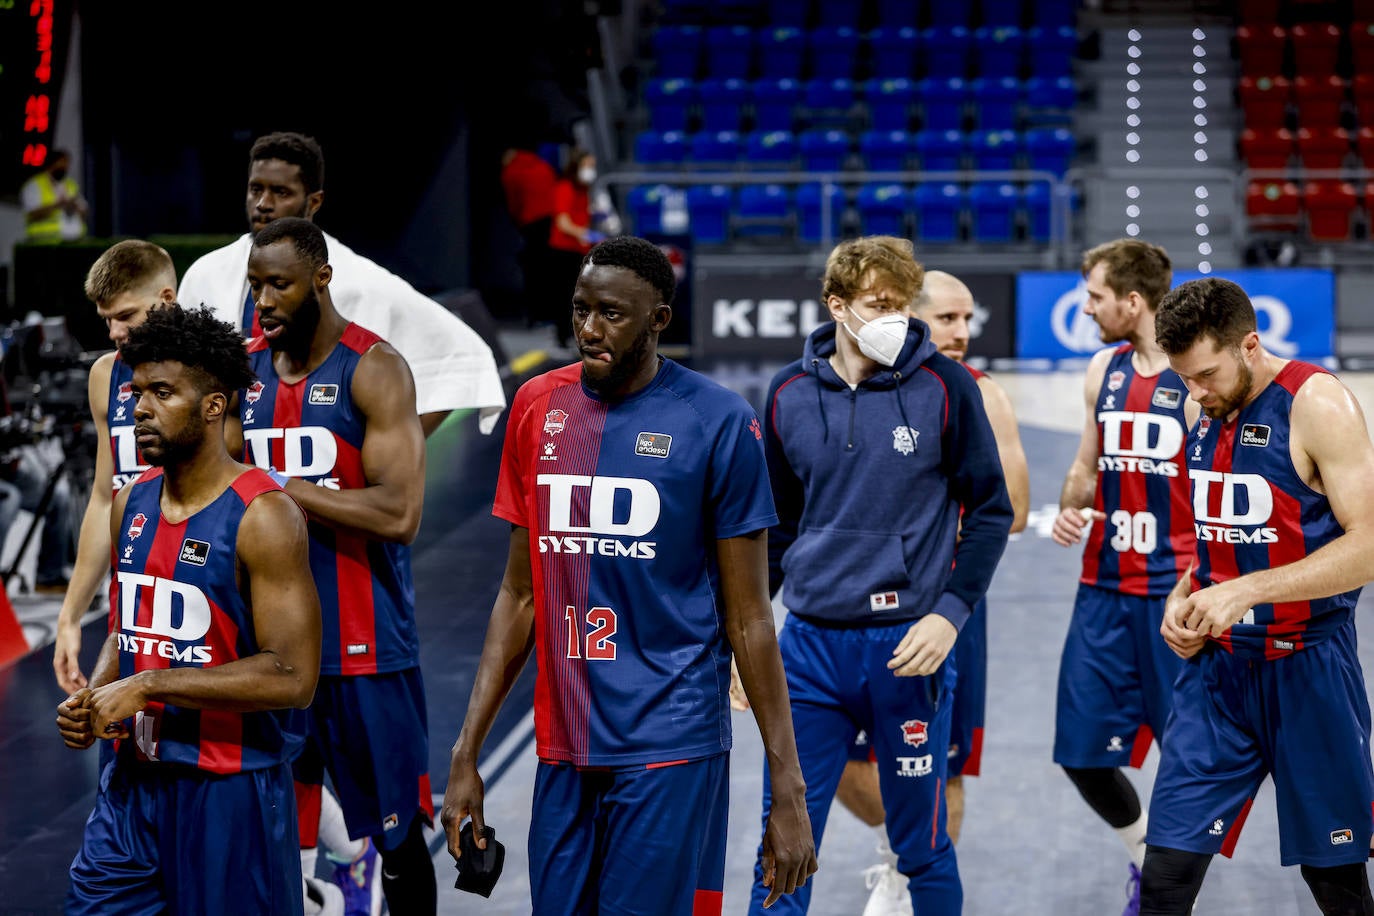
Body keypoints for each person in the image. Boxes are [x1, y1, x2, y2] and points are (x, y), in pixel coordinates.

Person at [439, 235, 817, 914]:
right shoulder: (536, 406)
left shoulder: (717, 420)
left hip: (668, 739)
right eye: (581, 309)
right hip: (562, 741)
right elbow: (519, 593)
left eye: (612, 313)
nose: (588, 329)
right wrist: (468, 750)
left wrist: (788, 788)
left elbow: (749, 617)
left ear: (659, 320)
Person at [752, 236, 1014, 916]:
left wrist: (947, 614)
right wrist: (744, 639)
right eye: (878, 305)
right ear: (837, 306)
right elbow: (774, 531)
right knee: (785, 839)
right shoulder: (786, 394)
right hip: (807, 652)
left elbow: (992, 511)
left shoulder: (947, 388)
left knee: (922, 846)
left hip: (906, 649)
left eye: (901, 304)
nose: (895, 317)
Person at [55, 303, 321, 915]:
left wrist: (150, 686)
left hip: (229, 792)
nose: (139, 408)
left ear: (212, 406)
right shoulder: (132, 502)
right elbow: (132, 624)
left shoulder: (265, 515)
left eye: (162, 392)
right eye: (137, 391)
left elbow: (293, 676)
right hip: (131, 786)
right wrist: (95, 696)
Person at [1141, 277, 1374, 915]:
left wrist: (1249, 590)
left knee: (1337, 885)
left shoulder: (1317, 403)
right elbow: (1215, 540)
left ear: (1249, 344)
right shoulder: (1198, 406)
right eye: (1183, 377)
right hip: (1216, 677)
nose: (1195, 391)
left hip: (1309, 671)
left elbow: (1370, 545)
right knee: (1164, 873)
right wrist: (1184, 597)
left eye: (1207, 374)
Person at [233, 217, 435, 915]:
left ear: (320, 278)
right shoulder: (246, 370)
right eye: (255, 284)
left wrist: (282, 489)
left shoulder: (374, 367)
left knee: (398, 841)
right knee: (270, 838)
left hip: (365, 648)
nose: (263, 299)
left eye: (279, 284)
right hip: (271, 655)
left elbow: (400, 513)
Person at [823, 269, 1030, 916]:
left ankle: (909, 871)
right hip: (851, 604)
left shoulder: (977, 393)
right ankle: (902, 848)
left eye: (968, 320)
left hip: (944, 607)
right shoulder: (849, 388)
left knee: (942, 764)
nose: (962, 333)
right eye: (948, 319)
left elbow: (1014, 510)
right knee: (837, 760)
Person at [176, 130, 505, 437]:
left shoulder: (359, 279)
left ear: (314, 202)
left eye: (281, 192)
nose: (263, 203)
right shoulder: (205, 274)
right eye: (256, 189)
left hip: (317, 470)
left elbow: (464, 353)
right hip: (228, 471)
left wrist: (395, 450)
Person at [1048, 239, 1195, 916]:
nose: (1087, 309)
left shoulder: (1196, 380)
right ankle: (1143, 853)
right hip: (1103, 590)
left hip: (1176, 598)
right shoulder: (1103, 369)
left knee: (1191, 760)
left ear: (1132, 302)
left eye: (1096, 298)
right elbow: (1086, 462)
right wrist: (1073, 504)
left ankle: (1167, 888)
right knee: (1080, 752)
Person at [52, 240, 177, 694]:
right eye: (107, 320)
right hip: (131, 591)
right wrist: (69, 617)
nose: (114, 332)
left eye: (126, 316)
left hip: (203, 586)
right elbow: (105, 497)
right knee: (126, 748)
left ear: (165, 300)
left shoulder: (213, 372)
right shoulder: (106, 374)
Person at [546, 148, 610, 349]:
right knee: (565, 294)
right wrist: (585, 234)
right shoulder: (565, 188)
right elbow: (563, 223)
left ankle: (573, 335)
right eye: (588, 166)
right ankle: (561, 337)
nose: (591, 170)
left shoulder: (584, 191)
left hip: (579, 251)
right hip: (563, 250)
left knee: (579, 295)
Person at [499, 139, 558, 326]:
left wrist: (517, 223)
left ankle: (534, 315)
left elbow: (514, 203)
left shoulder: (511, 171)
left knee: (532, 271)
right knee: (548, 270)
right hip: (551, 223)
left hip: (531, 225)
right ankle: (550, 314)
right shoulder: (543, 166)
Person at [20, 147, 87, 242]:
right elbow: (32, 214)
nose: (65, 167)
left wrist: (74, 206)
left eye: (66, 163)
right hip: (44, 241)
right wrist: (58, 205)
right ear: (51, 164)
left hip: (73, 241)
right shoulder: (34, 185)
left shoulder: (71, 185)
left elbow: (84, 212)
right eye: (61, 163)